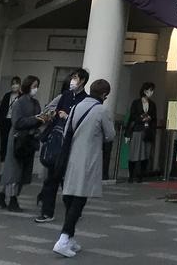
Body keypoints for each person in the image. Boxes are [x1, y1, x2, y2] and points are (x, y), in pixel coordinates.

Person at [53, 78, 114, 259]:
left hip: (71, 158)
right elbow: (110, 135)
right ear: (104, 95)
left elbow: (66, 132)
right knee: (79, 200)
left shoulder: (77, 107)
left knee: (71, 198)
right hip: (89, 160)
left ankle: (70, 238)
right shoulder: (101, 110)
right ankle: (63, 239)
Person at [34, 69, 89, 223]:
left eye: (76, 78)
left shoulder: (85, 100)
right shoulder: (65, 96)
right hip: (57, 142)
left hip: (71, 145)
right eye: (72, 77)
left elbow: (82, 122)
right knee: (51, 179)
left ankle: (73, 211)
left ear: (83, 80)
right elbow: (54, 113)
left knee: (68, 181)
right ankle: (47, 212)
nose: (73, 80)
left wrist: (68, 117)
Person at [0, 74, 44, 210]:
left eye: (37, 86)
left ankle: (2, 196)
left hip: (28, 140)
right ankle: (12, 199)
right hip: (18, 139)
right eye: (34, 86)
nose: (36, 89)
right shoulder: (19, 102)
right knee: (14, 170)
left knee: (21, 171)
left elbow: (37, 119)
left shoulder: (35, 103)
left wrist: (42, 119)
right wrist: (35, 119)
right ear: (28, 86)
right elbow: (17, 122)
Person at [124, 81, 157, 182]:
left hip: (147, 131)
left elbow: (155, 118)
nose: (151, 92)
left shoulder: (152, 104)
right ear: (145, 91)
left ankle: (141, 176)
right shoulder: (136, 102)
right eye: (150, 90)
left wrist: (150, 121)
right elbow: (132, 116)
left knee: (145, 154)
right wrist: (127, 133)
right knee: (134, 154)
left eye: (152, 91)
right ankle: (131, 176)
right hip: (137, 130)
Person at [0, 76, 21, 166]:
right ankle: (2, 166)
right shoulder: (7, 96)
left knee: (14, 144)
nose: (14, 86)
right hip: (5, 121)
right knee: (4, 143)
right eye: (13, 84)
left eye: (16, 84)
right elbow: (1, 110)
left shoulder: (22, 97)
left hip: (15, 122)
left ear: (20, 85)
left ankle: (11, 166)